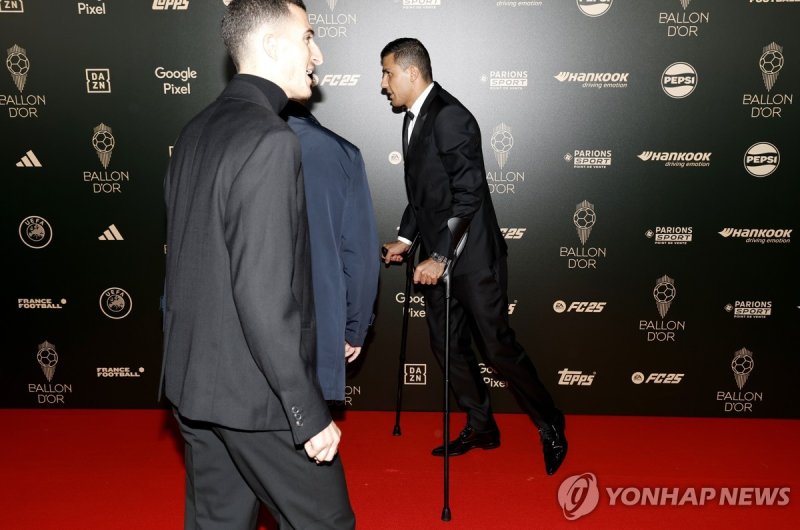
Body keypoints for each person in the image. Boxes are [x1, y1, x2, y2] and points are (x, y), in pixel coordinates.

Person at [161, 1, 354, 528]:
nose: (317, 53)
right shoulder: (271, 141)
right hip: (258, 400)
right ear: (272, 46)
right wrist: (307, 413)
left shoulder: (196, 130)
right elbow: (264, 297)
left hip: (194, 387)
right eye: (307, 38)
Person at [379, 38, 567, 476]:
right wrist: (406, 241)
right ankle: (482, 427)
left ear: (411, 72)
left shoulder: (450, 117)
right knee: (449, 348)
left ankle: (551, 422)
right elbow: (426, 197)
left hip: (474, 260)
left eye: (387, 73)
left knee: (498, 349)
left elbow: (469, 197)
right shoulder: (413, 118)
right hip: (438, 260)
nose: (383, 83)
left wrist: (440, 257)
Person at [281, 99, 379, 401]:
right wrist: (355, 326)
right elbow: (360, 255)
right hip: (317, 317)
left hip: (240, 320)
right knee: (309, 427)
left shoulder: (228, 140)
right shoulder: (340, 153)